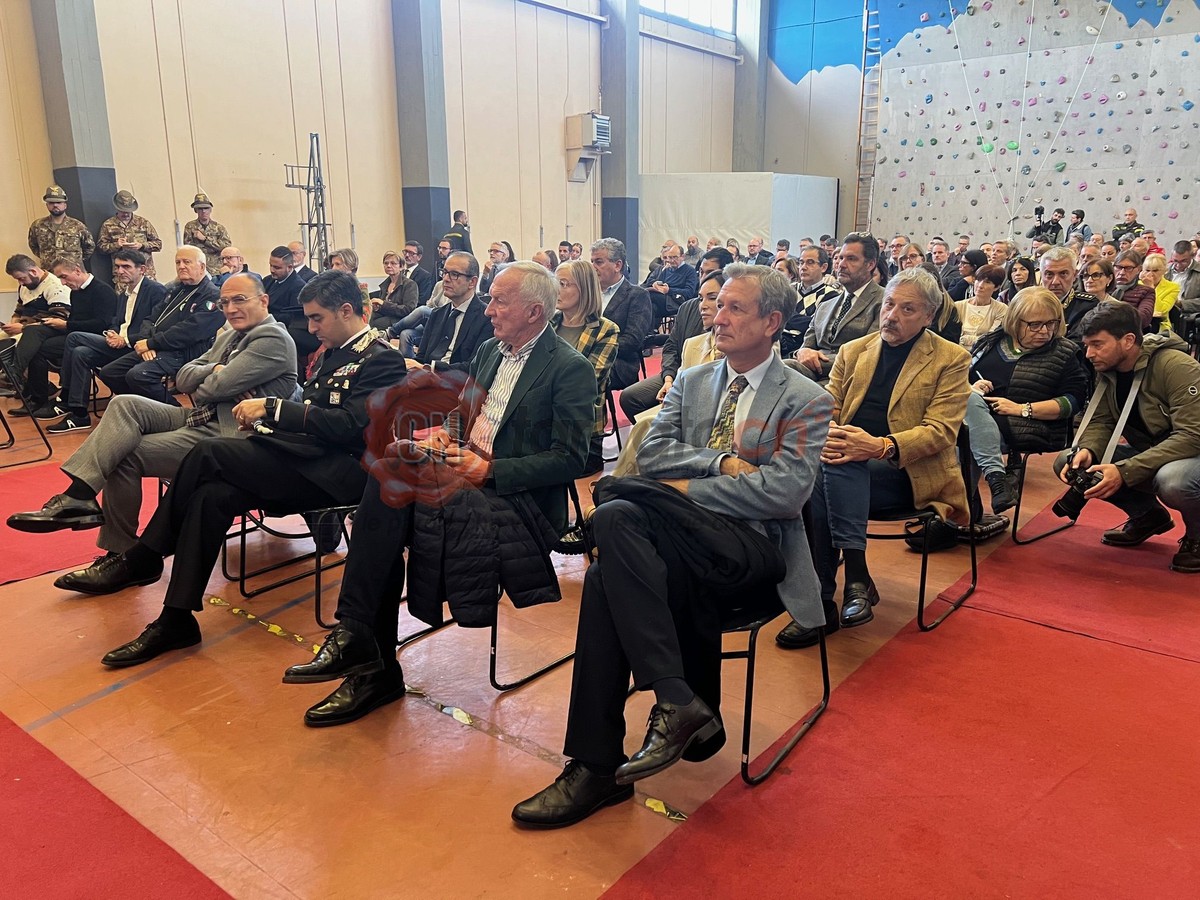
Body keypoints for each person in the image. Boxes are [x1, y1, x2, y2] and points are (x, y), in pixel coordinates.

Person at [512, 264, 833, 827]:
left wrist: (685, 488)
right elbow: (652, 450)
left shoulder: (805, 397)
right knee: (610, 554)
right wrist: (722, 464)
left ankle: (616, 751)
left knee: (616, 513)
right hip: (674, 539)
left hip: (750, 551)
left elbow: (783, 494)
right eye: (718, 305)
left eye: (734, 307)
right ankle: (639, 730)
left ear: (772, 322)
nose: (717, 317)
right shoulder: (693, 378)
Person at [276, 262, 596, 726]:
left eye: (499, 301)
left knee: (386, 507)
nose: (488, 309)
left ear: (533, 311)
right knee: (390, 469)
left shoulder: (569, 368)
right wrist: (443, 437)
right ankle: (363, 648)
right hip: (460, 474)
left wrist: (490, 469)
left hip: (515, 496)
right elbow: (463, 415)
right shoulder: (490, 350)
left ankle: (366, 655)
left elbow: (570, 459)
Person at [77, 271, 407, 666]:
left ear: (347, 311)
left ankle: (145, 556)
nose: (311, 328)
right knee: (210, 495)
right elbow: (315, 414)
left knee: (210, 453)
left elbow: (351, 426)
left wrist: (273, 408)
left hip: (341, 475)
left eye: (317, 318)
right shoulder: (333, 351)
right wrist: (271, 420)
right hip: (304, 459)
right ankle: (175, 619)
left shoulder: (382, 359)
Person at [8, 273, 297, 552]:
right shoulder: (229, 336)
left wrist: (208, 378)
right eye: (225, 302)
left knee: (122, 455)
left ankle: (120, 553)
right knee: (125, 403)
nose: (230, 309)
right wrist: (214, 370)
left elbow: (212, 389)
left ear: (263, 300)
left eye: (239, 300)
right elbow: (184, 379)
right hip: (204, 416)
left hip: (231, 433)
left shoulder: (271, 338)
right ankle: (78, 496)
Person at [777, 268, 970, 650]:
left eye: (907, 309)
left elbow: (941, 432)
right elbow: (827, 408)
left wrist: (878, 446)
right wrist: (833, 434)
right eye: (888, 304)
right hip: (846, 468)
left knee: (828, 471)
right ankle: (855, 582)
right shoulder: (854, 351)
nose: (892, 315)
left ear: (929, 315)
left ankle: (825, 601)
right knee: (827, 469)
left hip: (909, 472)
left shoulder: (951, 359)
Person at [1055, 302, 1200, 573]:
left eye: (1097, 344)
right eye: (1087, 345)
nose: (1089, 354)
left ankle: (1197, 537)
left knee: (1173, 481)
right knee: (1070, 462)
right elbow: (1102, 420)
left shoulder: (1176, 366)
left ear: (1128, 340)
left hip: (1192, 454)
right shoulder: (1108, 368)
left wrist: (1125, 470)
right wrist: (1088, 450)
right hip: (1155, 452)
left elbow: (1192, 436)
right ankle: (1148, 516)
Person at [964, 287, 1089, 515]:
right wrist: (973, 387)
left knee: (964, 441)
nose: (1044, 331)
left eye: (1051, 323)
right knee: (960, 417)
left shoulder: (1065, 352)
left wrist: (1022, 409)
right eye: (1035, 324)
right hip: (978, 416)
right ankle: (995, 482)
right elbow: (962, 380)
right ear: (1015, 321)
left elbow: (1073, 402)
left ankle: (960, 514)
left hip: (1029, 426)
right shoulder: (990, 341)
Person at [41, 248, 167, 431]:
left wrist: (125, 340)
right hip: (118, 343)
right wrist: (112, 333)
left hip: (138, 346)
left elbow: (155, 325)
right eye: (117, 267)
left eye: (126, 267)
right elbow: (115, 321)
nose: (120, 271)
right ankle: (79, 414)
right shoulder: (124, 293)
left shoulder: (155, 291)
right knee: (80, 353)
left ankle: (66, 396)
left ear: (142, 269)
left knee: (75, 338)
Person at [617, 248, 732, 420]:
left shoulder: (734, 330)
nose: (704, 278)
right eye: (701, 272)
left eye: (710, 273)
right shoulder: (688, 308)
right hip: (678, 372)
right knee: (630, 398)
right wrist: (669, 379)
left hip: (703, 383)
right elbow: (671, 347)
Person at [97, 247, 222, 405]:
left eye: (187, 262)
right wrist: (145, 343)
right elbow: (150, 319)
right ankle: (144, 407)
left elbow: (190, 331)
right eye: (178, 262)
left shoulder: (213, 295)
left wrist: (151, 343)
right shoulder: (175, 291)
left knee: (138, 375)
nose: (181, 266)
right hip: (158, 345)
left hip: (185, 351)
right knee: (110, 373)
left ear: (202, 266)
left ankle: (174, 411)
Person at [9, 257, 117, 417]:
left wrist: (66, 325)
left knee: (44, 344)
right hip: (73, 332)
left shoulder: (103, 291)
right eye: (60, 278)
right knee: (33, 335)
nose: (62, 283)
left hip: (93, 338)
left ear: (77, 271)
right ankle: (35, 396)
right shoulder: (75, 292)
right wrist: (61, 324)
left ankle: (16, 377)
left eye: (64, 277)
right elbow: (74, 320)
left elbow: (102, 324)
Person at [552, 260, 620, 473]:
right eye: (555, 283)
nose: (556, 290)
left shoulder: (605, 330)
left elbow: (586, 381)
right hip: (541, 421)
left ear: (585, 289)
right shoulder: (547, 323)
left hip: (579, 429)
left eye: (564, 284)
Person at [795, 232, 884, 382]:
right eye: (841, 258)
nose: (841, 264)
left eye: (851, 259)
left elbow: (869, 353)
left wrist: (817, 361)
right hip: (811, 374)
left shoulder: (884, 302)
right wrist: (802, 352)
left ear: (870, 264)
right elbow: (806, 346)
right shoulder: (826, 304)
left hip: (849, 379)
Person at [401, 250, 493, 373]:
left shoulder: (486, 317)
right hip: (427, 377)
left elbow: (473, 367)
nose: (445, 279)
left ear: (472, 282)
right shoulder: (437, 314)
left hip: (457, 380)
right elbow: (421, 358)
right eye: (444, 272)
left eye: (454, 274)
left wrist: (430, 368)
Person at [590, 238, 654, 391]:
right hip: (585, 356)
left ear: (617, 265)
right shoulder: (588, 293)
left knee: (577, 375)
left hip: (620, 362)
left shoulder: (637, 295)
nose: (593, 267)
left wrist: (595, 348)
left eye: (599, 262)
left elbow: (632, 341)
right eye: (591, 262)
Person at [96, 191, 163, 280]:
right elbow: (101, 248)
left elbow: (158, 244)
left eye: (128, 211)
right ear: (117, 208)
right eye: (123, 211)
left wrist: (142, 245)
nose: (126, 214)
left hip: (145, 274)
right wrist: (116, 245)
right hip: (122, 275)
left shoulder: (143, 223)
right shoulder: (108, 225)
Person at [1039, 246, 1098, 342]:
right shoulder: (1030, 304)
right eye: (1049, 274)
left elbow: (1077, 344)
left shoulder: (1087, 306)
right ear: (1041, 275)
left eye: (1063, 274)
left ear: (1074, 275)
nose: (1055, 282)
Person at [27, 185, 94, 266]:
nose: (55, 205)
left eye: (59, 202)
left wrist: (76, 261)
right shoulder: (37, 226)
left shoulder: (78, 226)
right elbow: (34, 246)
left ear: (65, 205)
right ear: (47, 205)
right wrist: (47, 258)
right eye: (51, 203)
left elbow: (89, 247)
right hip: (49, 270)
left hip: (72, 270)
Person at [954, 264, 1008, 350]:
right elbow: (952, 336)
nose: (980, 285)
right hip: (957, 352)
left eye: (987, 282)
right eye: (978, 280)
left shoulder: (1001, 309)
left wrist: (963, 339)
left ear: (996, 287)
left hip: (983, 354)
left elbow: (990, 339)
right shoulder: (958, 306)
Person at [183, 193, 232, 276]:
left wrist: (205, 239)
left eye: (206, 208)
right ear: (195, 210)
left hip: (216, 270)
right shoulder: (190, 227)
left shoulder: (218, 228)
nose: (203, 211)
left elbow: (226, 247)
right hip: (198, 269)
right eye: (200, 209)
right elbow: (188, 249)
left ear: (210, 210)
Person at [369, 250, 419, 332]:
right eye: (386, 263)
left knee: (375, 324)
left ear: (401, 266)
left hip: (399, 320)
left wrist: (383, 304)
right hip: (386, 317)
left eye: (393, 263)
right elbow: (385, 308)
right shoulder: (385, 284)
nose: (388, 266)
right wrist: (378, 308)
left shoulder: (410, 284)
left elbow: (408, 310)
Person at [1111, 250, 1156, 329]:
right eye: (1118, 267)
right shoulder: (1104, 288)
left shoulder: (1146, 292)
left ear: (1138, 269)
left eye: (1128, 268)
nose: (1122, 272)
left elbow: (1143, 319)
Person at [1140, 253, 1179, 333]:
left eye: (1155, 271)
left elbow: (1161, 311)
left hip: (1160, 326)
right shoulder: (1138, 285)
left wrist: (1150, 288)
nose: (1150, 274)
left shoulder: (1173, 287)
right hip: (1139, 323)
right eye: (1147, 270)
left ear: (1164, 271)